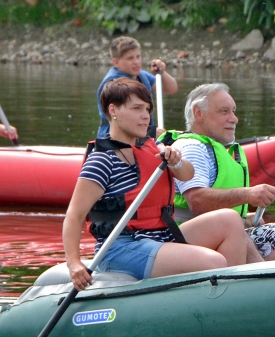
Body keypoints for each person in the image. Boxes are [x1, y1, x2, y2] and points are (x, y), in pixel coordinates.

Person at [63, 78, 248, 288]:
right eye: (137, 108)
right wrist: (74, 263)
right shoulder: (102, 160)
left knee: (230, 219)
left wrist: (176, 161)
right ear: (113, 110)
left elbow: (187, 174)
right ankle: (225, 298)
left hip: (160, 236)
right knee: (214, 261)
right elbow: (74, 215)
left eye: (147, 109)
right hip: (122, 248)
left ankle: (234, 293)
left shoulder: (152, 147)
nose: (145, 116)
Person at [170, 83, 275, 262]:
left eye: (233, 111)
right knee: (234, 226)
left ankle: (263, 278)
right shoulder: (192, 147)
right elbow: (197, 201)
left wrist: (244, 217)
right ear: (198, 113)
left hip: (219, 227)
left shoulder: (219, 149)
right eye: (224, 112)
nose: (234, 119)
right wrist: (247, 194)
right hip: (180, 235)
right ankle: (260, 278)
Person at [95, 36, 178, 139]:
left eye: (138, 57)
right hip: (114, 139)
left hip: (141, 136)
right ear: (116, 62)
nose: (136, 62)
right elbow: (122, 119)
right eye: (130, 58)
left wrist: (162, 72)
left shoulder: (141, 75)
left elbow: (170, 89)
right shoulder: (113, 84)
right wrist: (151, 131)